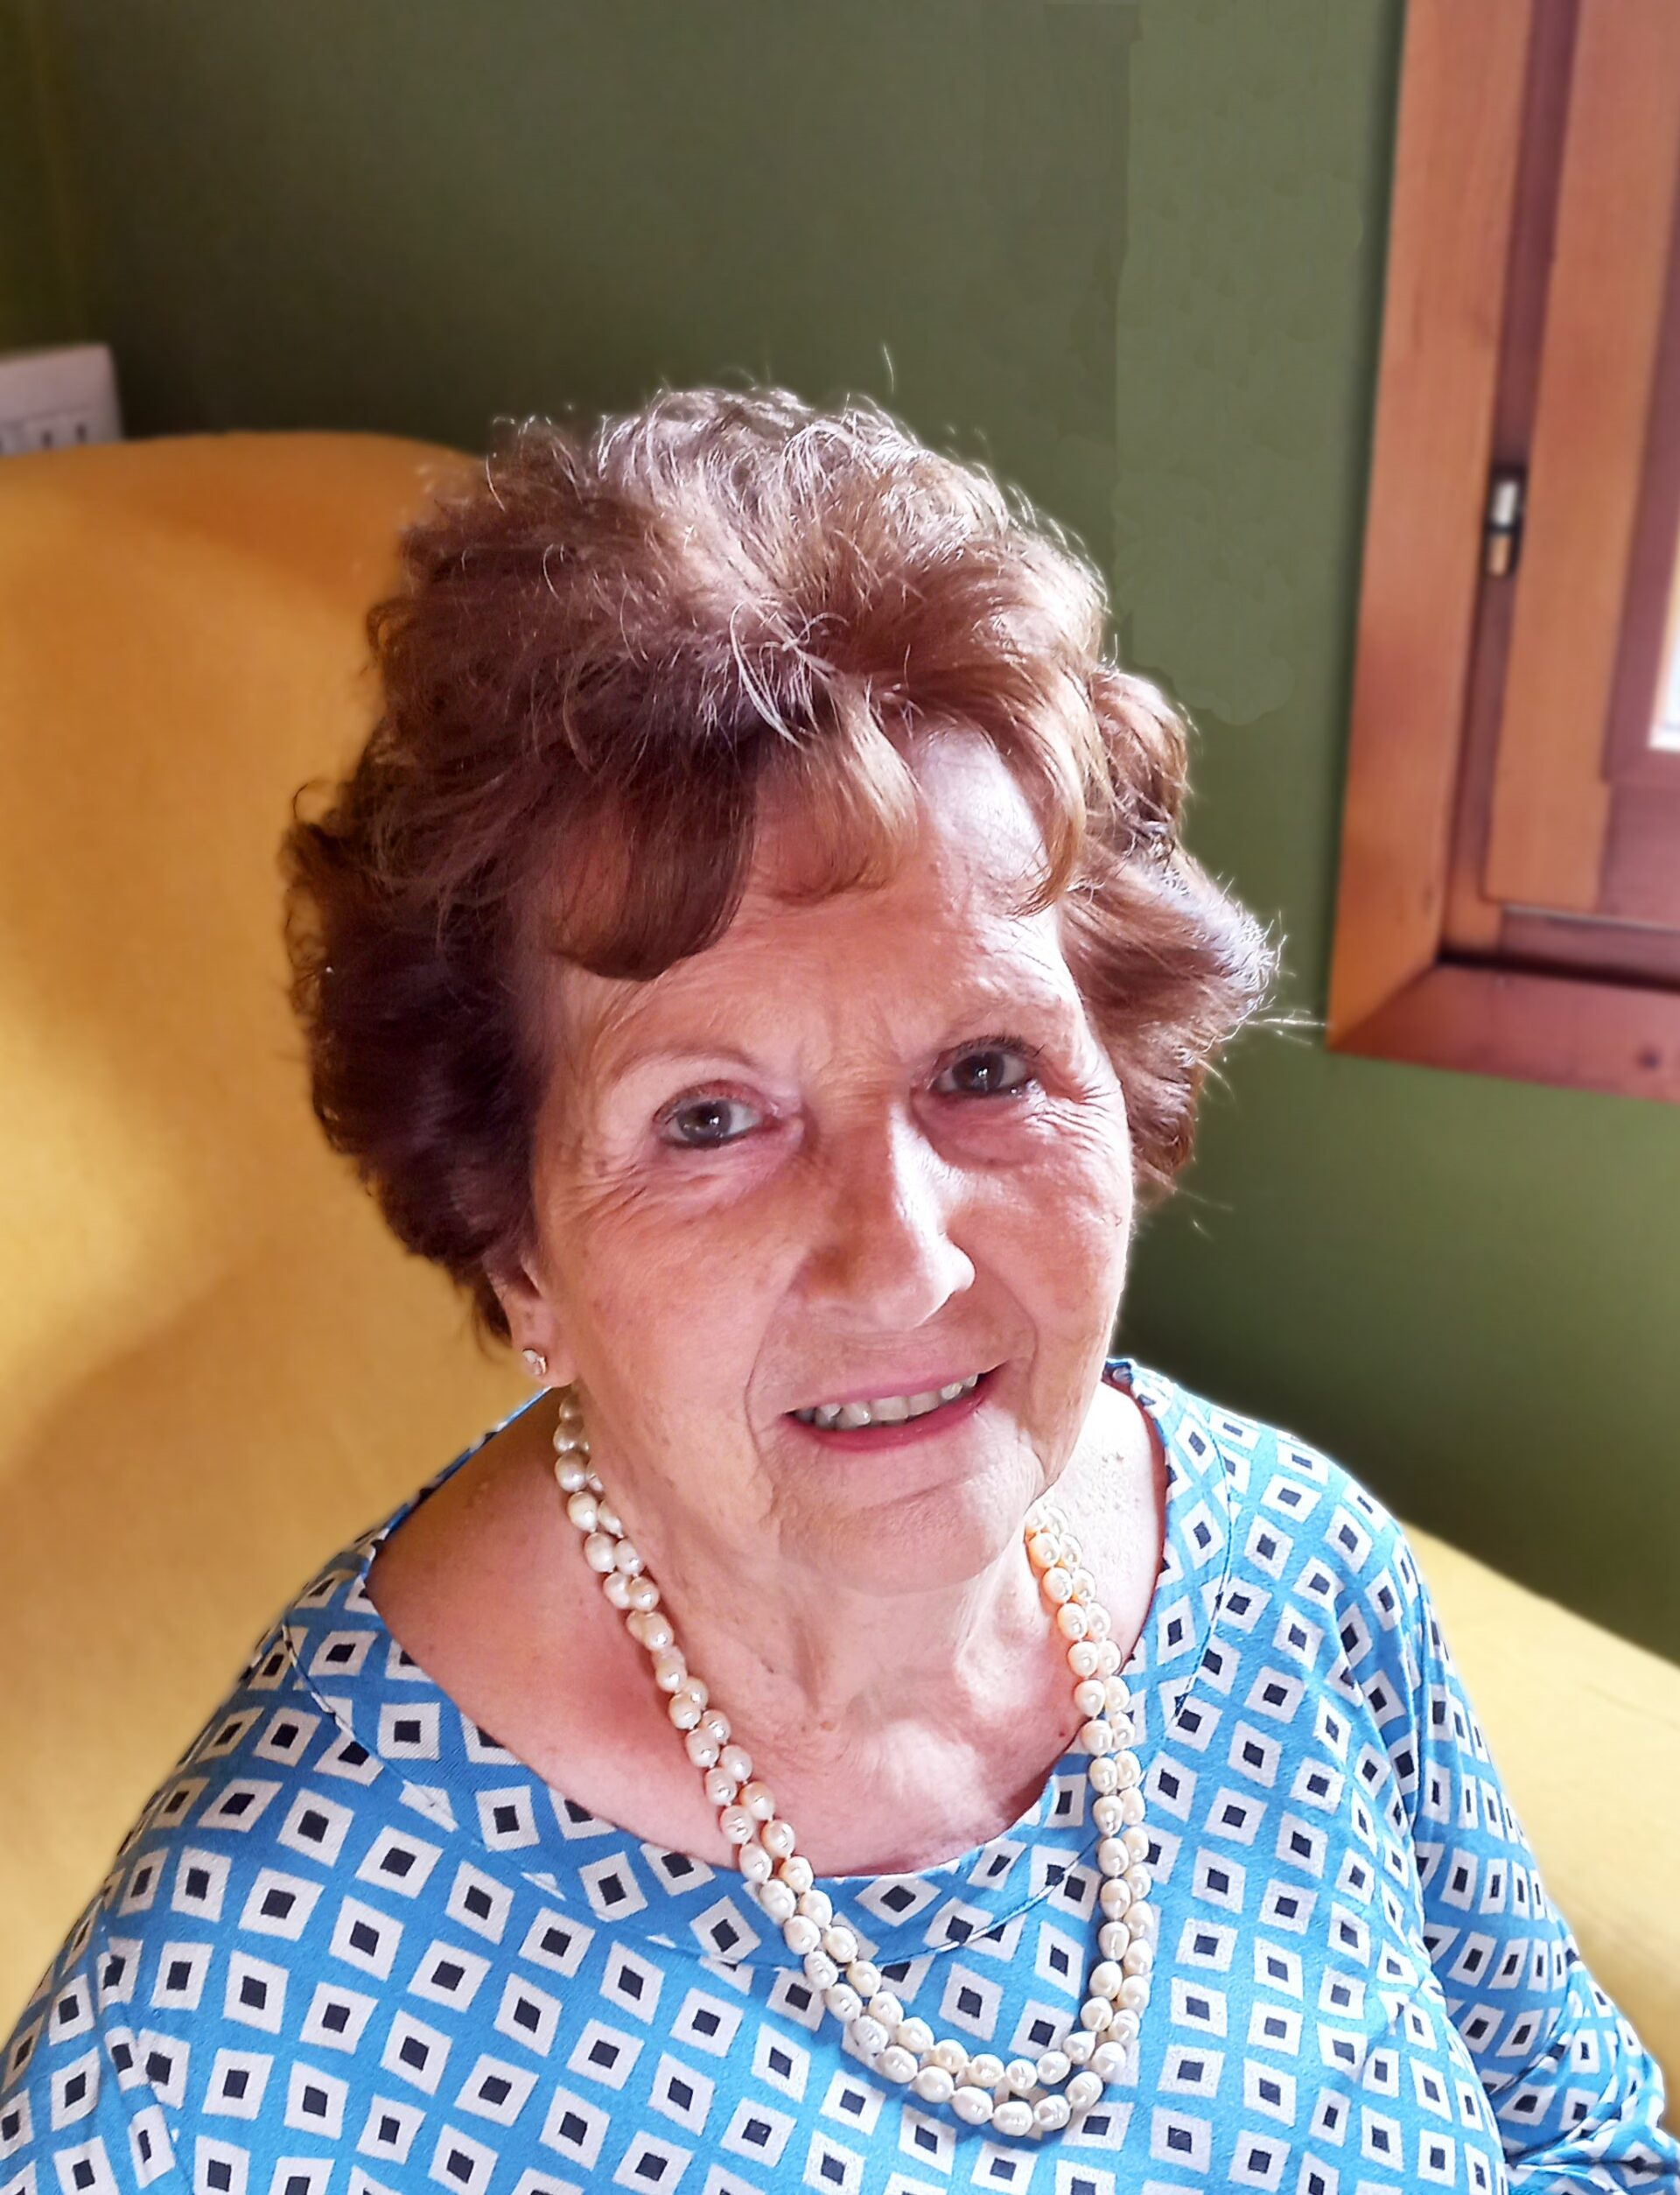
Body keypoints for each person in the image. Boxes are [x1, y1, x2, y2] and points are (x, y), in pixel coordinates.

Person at [3, 388, 1672, 2195]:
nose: (904, 1260)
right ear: (514, 1241)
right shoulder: (234, 2025)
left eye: (985, 1068)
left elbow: (1584, 2142)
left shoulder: (1297, 1571)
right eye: (711, 1120)